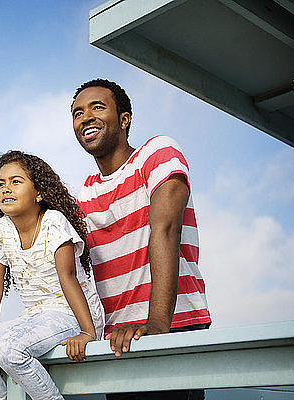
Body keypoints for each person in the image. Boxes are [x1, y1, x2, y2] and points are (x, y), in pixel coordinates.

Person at [71, 79, 211, 399]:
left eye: (97, 107)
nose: (86, 117)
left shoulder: (157, 153)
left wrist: (157, 327)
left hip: (170, 327)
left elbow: (165, 230)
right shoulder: (87, 190)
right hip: (117, 340)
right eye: (78, 113)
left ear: (124, 119)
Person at [0, 150, 104, 400]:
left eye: (16, 181)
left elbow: (68, 277)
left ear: (39, 193)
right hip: (33, 319)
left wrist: (88, 332)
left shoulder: (54, 221)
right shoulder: (0, 230)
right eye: (0, 184)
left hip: (72, 314)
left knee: (10, 349)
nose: (6, 189)